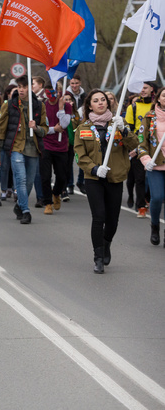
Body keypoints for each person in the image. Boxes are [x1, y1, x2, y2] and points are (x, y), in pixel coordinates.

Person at [74, 90, 137, 274]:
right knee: (98, 216)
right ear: (89, 105)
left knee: (112, 220)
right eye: (96, 100)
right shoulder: (83, 128)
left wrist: (124, 130)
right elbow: (80, 155)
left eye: (103, 100)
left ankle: (106, 242)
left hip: (115, 176)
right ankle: (98, 257)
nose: (101, 103)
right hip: (94, 178)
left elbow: (134, 145)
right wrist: (94, 168)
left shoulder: (118, 123)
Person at [0, 76, 47, 224]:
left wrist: (35, 127)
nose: (22, 89)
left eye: (25, 86)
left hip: (33, 149)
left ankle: (19, 205)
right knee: (21, 180)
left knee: (29, 182)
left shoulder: (39, 106)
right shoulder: (9, 105)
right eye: (20, 86)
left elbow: (45, 130)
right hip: (16, 147)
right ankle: (26, 211)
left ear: (32, 88)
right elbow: (1, 129)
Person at [138, 86, 165, 246]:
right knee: (158, 197)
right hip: (155, 166)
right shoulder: (149, 117)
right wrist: (146, 160)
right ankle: (155, 226)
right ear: (158, 98)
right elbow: (142, 142)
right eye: (164, 96)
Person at [125, 81, 157, 217]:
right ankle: (141, 206)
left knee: (150, 176)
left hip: (154, 146)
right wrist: (134, 147)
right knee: (137, 178)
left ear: (152, 89)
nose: (142, 90)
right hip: (138, 145)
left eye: (145, 88)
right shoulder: (132, 107)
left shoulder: (156, 107)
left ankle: (147, 198)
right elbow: (129, 130)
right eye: (140, 88)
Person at [40, 88, 73, 215]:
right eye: (49, 93)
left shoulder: (66, 106)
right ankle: (48, 203)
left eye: (55, 93)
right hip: (46, 145)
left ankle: (56, 193)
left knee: (62, 176)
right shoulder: (42, 106)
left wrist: (61, 109)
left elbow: (64, 124)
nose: (52, 96)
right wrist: (54, 129)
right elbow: (40, 128)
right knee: (45, 176)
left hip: (61, 147)